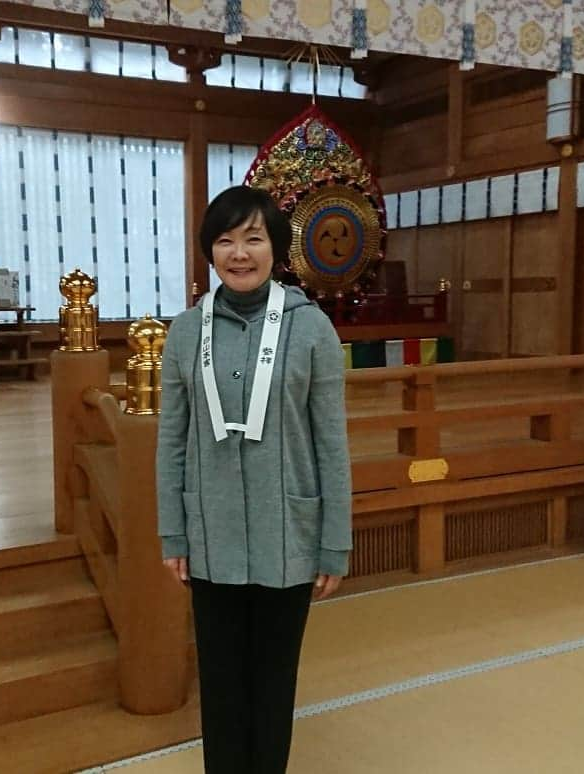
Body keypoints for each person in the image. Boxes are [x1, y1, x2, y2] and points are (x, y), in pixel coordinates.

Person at [156, 185, 352, 774]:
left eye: (253, 238)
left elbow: (332, 445)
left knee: (273, 686)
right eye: (225, 240)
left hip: (288, 537)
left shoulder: (312, 329)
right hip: (210, 538)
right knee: (220, 686)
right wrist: (173, 533)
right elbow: (170, 439)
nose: (239, 253)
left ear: (276, 249)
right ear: (208, 252)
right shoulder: (187, 332)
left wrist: (334, 542)